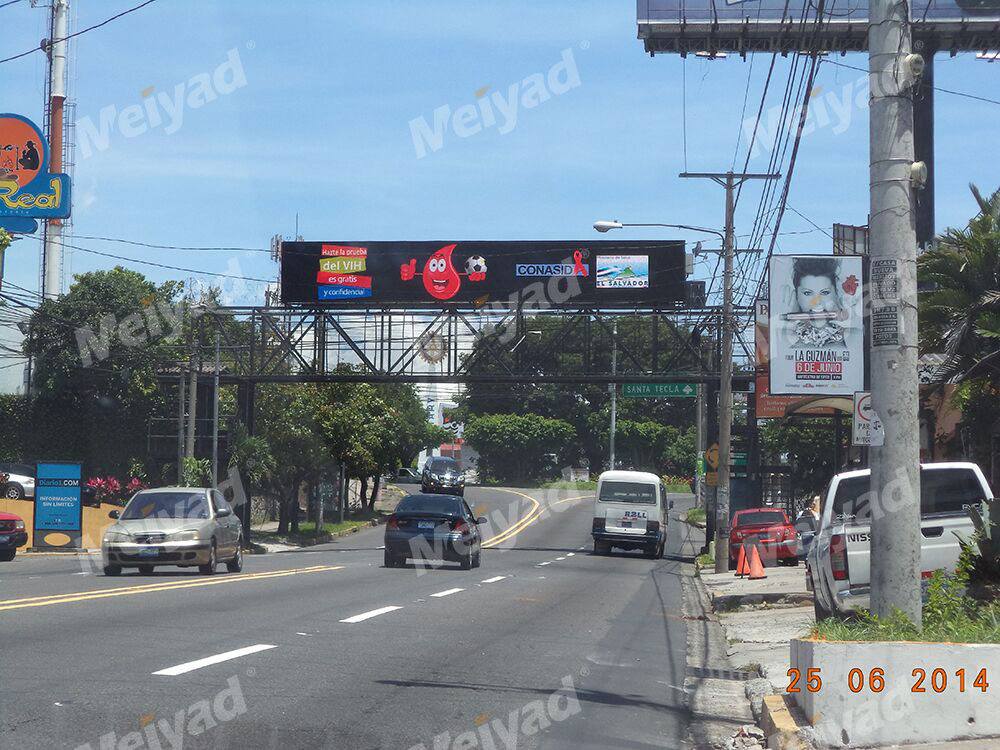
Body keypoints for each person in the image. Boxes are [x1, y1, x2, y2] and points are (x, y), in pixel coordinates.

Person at [787, 256, 846, 348]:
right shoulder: (785, 338)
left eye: (825, 292)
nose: (817, 302)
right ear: (796, 296)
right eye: (807, 293)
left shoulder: (852, 336)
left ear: (836, 293)